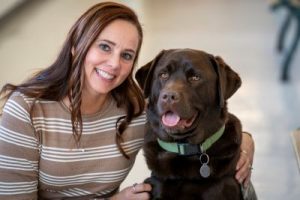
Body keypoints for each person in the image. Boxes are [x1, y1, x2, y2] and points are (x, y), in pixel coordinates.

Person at [0, 2, 255, 200]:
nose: (113, 64)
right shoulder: (26, 110)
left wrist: (245, 141)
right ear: (77, 46)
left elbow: (210, 120)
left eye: (127, 55)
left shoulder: (135, 114)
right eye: (104, 47)